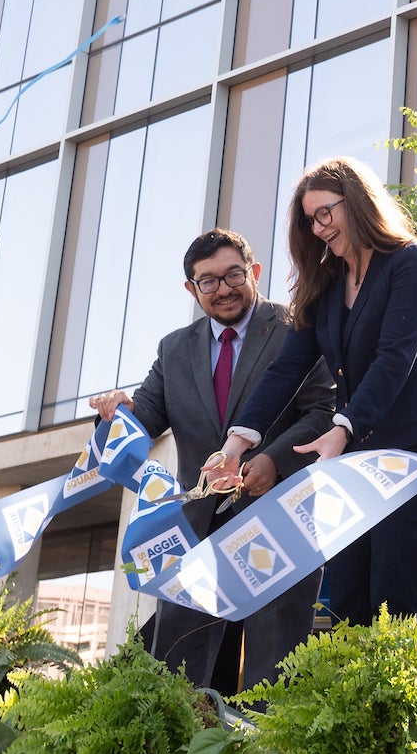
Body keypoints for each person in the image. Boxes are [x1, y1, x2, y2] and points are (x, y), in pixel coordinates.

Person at [216, 158, 417, 627]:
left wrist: (343, 427)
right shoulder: (326, 286)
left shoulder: (412, 262)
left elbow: (395, 357)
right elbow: (285, 371)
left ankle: (396, 698)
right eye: (310, 220)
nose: (319, 228)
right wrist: (235, 445)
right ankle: (350, 701)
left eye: (325, 213)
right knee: (347, 595)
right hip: (352, 453)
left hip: (414, 446)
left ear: (358, 202)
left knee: (393, 597)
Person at [90, 229, 334, 694]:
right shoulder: (173, 349)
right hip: (194, 530)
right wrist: (117, 413)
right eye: (208, 281)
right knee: (177, 668)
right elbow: (147, 418)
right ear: (192, 289)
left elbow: (322, 411)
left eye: (233, 275)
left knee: (276, 666)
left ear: (254, 272)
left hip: (279, 520)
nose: (223, 288)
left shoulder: (297, 328)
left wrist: (274, 462)